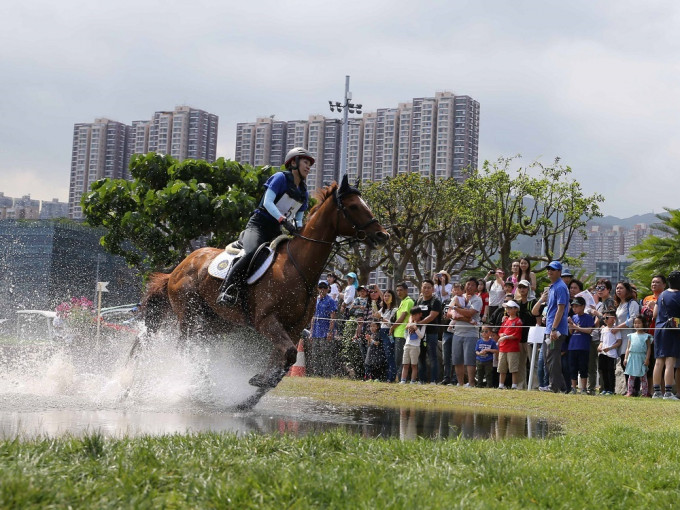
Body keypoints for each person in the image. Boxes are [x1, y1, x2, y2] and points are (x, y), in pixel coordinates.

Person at [217, 147, 313, 304]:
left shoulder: (304, 192)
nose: (308, 166)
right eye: (305, 162)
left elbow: (299, 219)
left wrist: (299, 231)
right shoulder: (280, 178)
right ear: (293, 162)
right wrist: (283, 220)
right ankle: (227, 288)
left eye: (310, 164)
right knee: (251, 252)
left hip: (275, 231)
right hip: (258, 225)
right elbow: (268, 202)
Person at [652, 270, 680, 400]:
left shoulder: (661, 295)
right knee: (670, 361)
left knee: (659, 361)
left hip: (659, 329)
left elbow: (654, 314)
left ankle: (656, 391)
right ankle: (668, 392)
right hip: (673, 330)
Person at [450, 277, 483, 387]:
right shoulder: (458, 297)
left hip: (471, 334)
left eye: (472, 285)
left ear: (476, 287)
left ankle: (471, 383)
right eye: (468, 284)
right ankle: (460, 383)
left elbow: (470, 313)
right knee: (457, 359)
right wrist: (464, 318)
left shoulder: (477, 299)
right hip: (457, 332)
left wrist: (457, 310)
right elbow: (447, 313)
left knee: (470, 360)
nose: (469, 287)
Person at [543, 260, 570, 393]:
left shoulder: (560, 287)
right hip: (551, 327)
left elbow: (561, 308)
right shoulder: (553, 286)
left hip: (556, 329)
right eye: (548, 269)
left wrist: (554, 328)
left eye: (553, 269)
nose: (550, 271)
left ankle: (554, 386)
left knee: (552, 358)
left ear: (559, 272)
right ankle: (562, 387)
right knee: (550, 358)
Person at [612, 281, 640, 390]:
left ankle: (634, 388)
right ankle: (629, 388)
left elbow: (633, 319)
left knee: (628, 362)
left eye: (621, 288)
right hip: (620, 337)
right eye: (617, 288)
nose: (618, 290)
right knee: (624, 364)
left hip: (629, 336)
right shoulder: (619, 305)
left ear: (627, 290)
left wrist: (618, 327)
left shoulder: (632, 303)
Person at [415, 280, 442, 384]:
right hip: (419, 334)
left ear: (433, 289)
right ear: (421, 288)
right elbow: (412, 314)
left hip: (431, 333)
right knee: (420, 356)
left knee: (432, 356)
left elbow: (432, 316)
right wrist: (413, 324)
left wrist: (419, 324)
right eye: (424, 287)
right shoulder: (418, 300)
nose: (426, 289)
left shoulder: (436, 301)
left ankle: (434, 380)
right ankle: (421, 379)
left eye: (429, 287)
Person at [308, 280, 337, 377]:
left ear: (328, 289)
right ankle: (317, 375)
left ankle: (327, 375)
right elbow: (313, 316)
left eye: (324, 287)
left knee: (326, 354)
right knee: (315, 355)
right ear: (318, 288)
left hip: (325, 332)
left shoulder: (331, 301)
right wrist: (311, 332)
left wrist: (330, 331)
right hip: (316, 332)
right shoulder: (315, 300)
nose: (322, 290)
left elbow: (333, 317)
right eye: (320, 287)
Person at [567, 296, 595, 394]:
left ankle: (583, 388)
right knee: (572, 367)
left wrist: (576, 327)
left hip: (583, 346)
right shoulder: (573, 317)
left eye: (577, 306)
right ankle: (573, 387)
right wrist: (571, 325)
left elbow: (589, 330)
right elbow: (571, 332)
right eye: (573, 306)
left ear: (583, 306)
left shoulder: (588, 317)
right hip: (572, 346)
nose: (574, 308)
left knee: (583, 367)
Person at [624, 316, 652, 397]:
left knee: (643, 376)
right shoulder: (631, 336)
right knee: (631, 376)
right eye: (635, 323)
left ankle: (645, 392)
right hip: (632, 357)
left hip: (641, 357)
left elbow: (649, 349)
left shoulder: (646, 336)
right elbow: (628, 348)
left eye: (639, 323)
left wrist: (647, 359)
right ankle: (630, 391)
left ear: (643, 324)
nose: (637, 325)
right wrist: (626, 358)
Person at [516, 279, 536, 389]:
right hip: (519, 336)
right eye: (520, 287)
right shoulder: (517, 303)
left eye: (524, 287)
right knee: (520, 363)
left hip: (531, 336)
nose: (522, 289)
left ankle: (534, 385)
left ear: (528, 289)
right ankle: (520, 385)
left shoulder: (533, 302)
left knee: (533, 362)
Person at [391, 282, 414, 380]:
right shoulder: (402, 301)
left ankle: (402, 379)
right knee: (398, 359)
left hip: (402, 334)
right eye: (397, 290)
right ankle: (401, 378)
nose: (399, 292)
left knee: (400, 359)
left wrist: (392, 327)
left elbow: (402, 317)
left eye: (401, 290)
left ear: (406, 290)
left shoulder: (408, 301)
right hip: (398, 333)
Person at [497, 300, 522, 389]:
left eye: (510, 308)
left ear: (516, 309)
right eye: (507, 308)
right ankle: (501, 384)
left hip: (512, 348)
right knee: (502, 368)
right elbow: (500, 331)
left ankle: (514, 385)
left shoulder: (518, 321)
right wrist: (502, 335)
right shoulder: (505, 320)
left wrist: (506, 337)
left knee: (513, 368)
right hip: (503, 347)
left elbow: (517, 334)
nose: (508, 310)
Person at [376, 289, 398, 382]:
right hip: (382, 332)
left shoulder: (395, 310)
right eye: (385, 296)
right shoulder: (382, 309)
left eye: (388, 296)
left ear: (392, 298)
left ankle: (391, 377)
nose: (386, 298)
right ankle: (385, 376)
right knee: (384, 355)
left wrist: (380, 317)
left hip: (389, 333)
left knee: (390, 356)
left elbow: (391, 323)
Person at [400, 307, 426, 384]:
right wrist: (407, 328)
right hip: (407, 345)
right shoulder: (410, 323)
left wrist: (416, 328)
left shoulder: (422, 325)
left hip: (415, 346)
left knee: (414, 365)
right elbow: (405, 335)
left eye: (415, 315)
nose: (414, 317)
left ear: (420, 314)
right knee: (405, 364)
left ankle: (413, 380)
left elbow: (421, 336)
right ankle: (403, 380)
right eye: (412, 315)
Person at [598, 310, 621, 395]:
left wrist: (610, 348)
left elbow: (619, 342)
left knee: (610, 372)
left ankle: (611, 389)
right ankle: (605, 388)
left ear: (613, 319)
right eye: (604, 318)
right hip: (603, 353)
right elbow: (601, 341)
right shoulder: (603, 329)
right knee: (603, 371)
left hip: (611, 354)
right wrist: (600, 346)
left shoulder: (615, 329)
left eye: (607, 318)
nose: (605, 319)